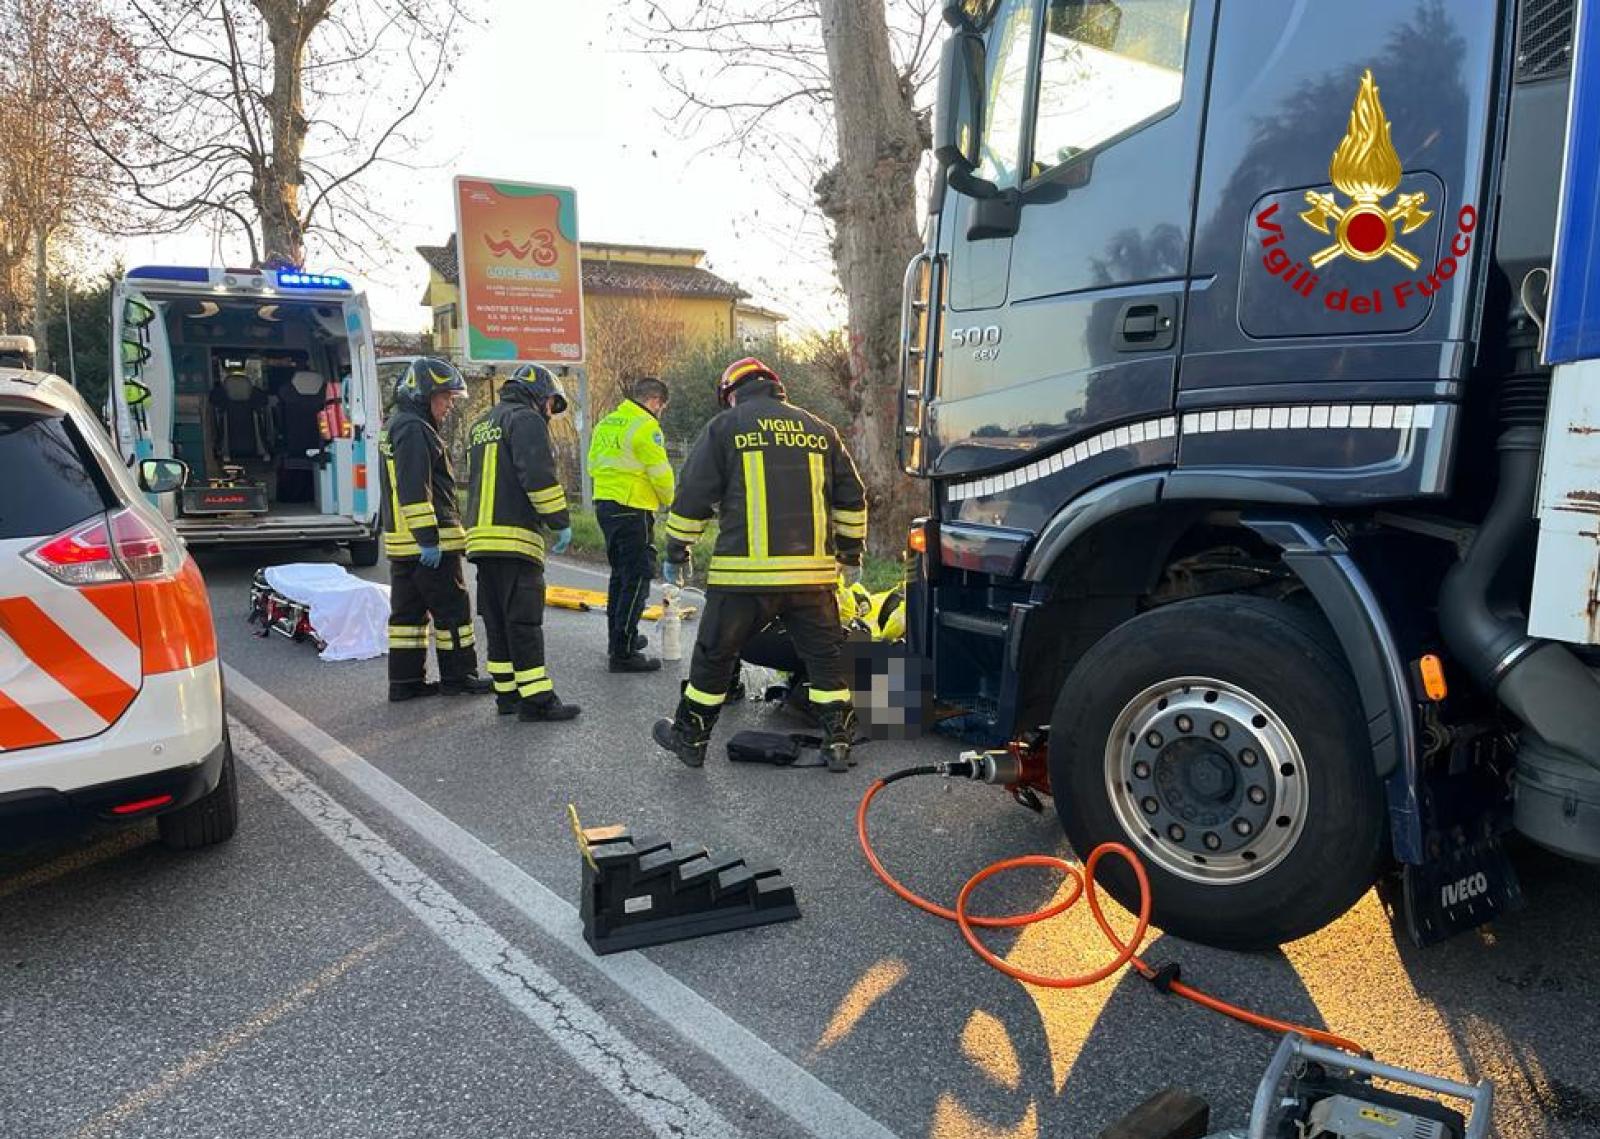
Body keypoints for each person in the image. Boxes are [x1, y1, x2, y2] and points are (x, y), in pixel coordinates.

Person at [652, 356, 868, 772]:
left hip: (744, 578)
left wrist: (677, 551)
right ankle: (839, 742)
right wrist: (851, 554)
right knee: (823, 661)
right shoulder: (821, 431)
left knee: (715, 657)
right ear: (775, 386)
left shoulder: (726, 427)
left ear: (731, 394)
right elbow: (851, 498)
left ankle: (690, 738)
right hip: (813, 579)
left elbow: (694, 497)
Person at [465, 364, 581, 722]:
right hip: (515, 538)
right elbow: (538, 478)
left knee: (497, 622)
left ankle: (507, 695)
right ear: (540, 395)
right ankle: (537, 701)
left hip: (483, 541)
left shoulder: (482, 424)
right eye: (551, 404)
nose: (550, 412)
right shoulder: (526, 420)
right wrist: (560, 522)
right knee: (524, 622)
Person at [380, 357, 492, 701]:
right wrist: (428, 539)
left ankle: (405, 682)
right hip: (428, 544)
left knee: (408, 619)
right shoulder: (415, 428)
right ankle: (460, 677)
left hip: (402, 544)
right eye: (444, 397)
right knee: (453, 612)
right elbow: (415, 488)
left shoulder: (395, 424)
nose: (448, 405)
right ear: (423, 394)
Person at [586, 376, 674, 672]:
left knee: (620, 577)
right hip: (633, 507)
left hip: (605, 506)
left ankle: (620, 639)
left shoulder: (607, 422)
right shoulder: (646, 426)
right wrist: (671, 500)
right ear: (655, 401)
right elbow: (660, 473)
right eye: (660, 407)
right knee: (637, 577)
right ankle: (623, 653)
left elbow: (592, 464)